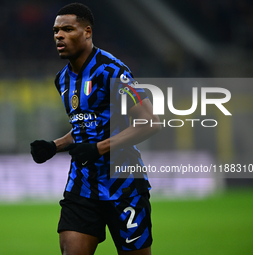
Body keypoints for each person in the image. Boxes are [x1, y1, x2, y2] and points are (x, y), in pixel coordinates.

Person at [30, 3, 161, 255]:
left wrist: (99, 148)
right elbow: (85, 126)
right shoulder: (63, 79)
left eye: (68, 29)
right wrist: (54, 146)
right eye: (56, 30)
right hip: (82, 186)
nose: (59, 35)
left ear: (87, 32)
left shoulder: (112, 71)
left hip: (124, 185)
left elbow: (149, 122)